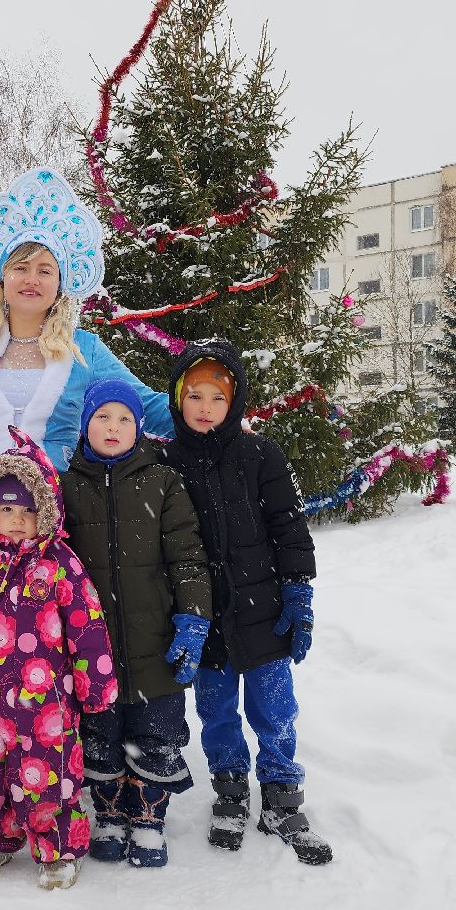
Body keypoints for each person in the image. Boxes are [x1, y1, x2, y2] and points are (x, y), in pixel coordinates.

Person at [158, 339, 333, 864]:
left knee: (275, 709)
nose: (206, 407)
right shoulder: (165, 462)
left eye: (218, 396)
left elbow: (289, 528)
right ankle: (230, 791)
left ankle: (281, 794)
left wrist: (298, 593)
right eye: (195, 396)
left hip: (265, 613)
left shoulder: (262, 454)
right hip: (203, 620)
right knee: (216, 713)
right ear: (178, 400)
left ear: (234, 401)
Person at [0, 428, 118, 891]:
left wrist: (96, 685)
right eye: (7, 509)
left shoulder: (60, 565)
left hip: (46, 706)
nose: (16, 520)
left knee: (49, 778)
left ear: (46, 512)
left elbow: (88, 628)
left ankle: (57, 848)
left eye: (28, 511)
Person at [59, 379, 211, 868]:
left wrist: (192, 619)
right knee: (99, 734)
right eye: (103, 416)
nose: (113, 427)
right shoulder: (66, 486)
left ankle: (148, 817)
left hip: (156, 635)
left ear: (139, 428)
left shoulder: (162, 482)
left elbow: (187, 557)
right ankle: (108, 814)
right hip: (90, 643)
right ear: (86, 425)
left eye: (124, 418)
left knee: (156, 731)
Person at [0, 167, 172, 472]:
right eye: (21, 268)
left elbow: (146, 406)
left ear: (59, 285)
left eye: (45, 271)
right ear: (3, 278)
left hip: (64, 507)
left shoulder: (84, 351)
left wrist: (217, 419)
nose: (32, 279)